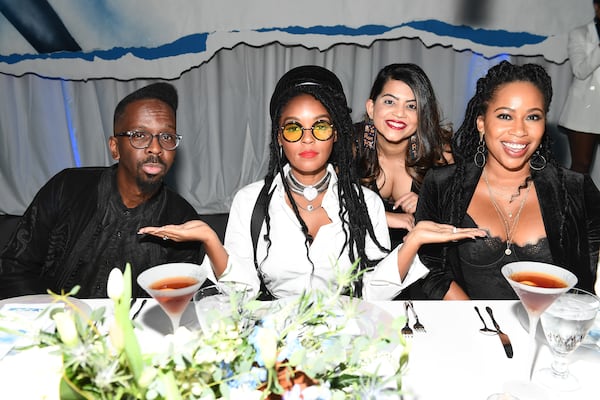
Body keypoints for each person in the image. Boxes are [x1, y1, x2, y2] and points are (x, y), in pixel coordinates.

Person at [139, 65, 485, 300]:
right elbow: (242, 292)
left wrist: (415, 242)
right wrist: (209, 239)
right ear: (279, 137)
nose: (307, 139)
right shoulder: (250, 201)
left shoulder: (366, 202)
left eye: (320, 126)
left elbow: (372, 292)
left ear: (336, 135)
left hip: (348, 338)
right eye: (293, 127)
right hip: (275, 342)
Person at [415, 61, 600, 300]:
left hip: (547, 331)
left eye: (533, 117)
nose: (519, 130)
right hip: (469, 328)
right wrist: (481, 325)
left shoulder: (576, 189)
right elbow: (429, 267)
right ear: (481, 123)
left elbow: (590, 277)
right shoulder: (442, 185)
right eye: (505, 116)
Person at [0, 82, 202, 299]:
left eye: (166, 136)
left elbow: (178, 300)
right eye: (140, 135)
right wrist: (55, 317)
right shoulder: (67, 188)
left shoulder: (181, 219)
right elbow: (15, 267)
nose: (155, 147)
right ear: (115, 147)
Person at [354, 63, 453, 298]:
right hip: (358, 269)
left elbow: (463, 217)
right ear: (371, 107)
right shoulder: (350, 147)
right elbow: (321, 204)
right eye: (389, 102)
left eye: (412, 106)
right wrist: (384, 216)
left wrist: (428, 206)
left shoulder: (440, 153)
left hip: (421, 270)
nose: (399, 114)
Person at [558, 0, 600, 174]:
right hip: (585, 111)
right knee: (581, 166)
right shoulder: (580, 34)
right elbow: (580, 71)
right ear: (597, 6)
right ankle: (571, 202)